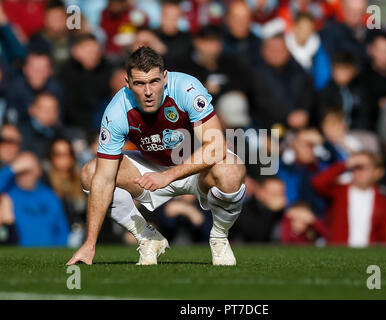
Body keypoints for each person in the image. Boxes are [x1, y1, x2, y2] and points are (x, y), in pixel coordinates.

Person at [66, 47, 246, 266]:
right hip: (150, 167)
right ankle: (147, 237)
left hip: (196, 166)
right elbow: (103, 179)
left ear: (165, 77)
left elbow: (216, 146)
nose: (148, 91)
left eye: (154, 81)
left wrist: (168, 176)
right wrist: (89, 244)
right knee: (90, 172)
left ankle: (219, 236)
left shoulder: (187, 88)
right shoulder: (117, 110)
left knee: (231, 170)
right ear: (127, 82)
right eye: (140, 84)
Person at [312, 151, 386, 247]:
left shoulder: (383, 202)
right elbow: (317, 183)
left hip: (369, 256)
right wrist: (345, 164)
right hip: (339, 253)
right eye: (356, 167)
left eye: (363, 168)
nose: (359, 172)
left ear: (376, 172)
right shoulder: (339, 192)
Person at [0, 152, 70, 247]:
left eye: (30, 170)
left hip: (49, 254)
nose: (26, 175)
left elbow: (62, 229)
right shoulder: (9, 193)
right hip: (18, 253)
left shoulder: (50, 195)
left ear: (39, 171)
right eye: (22, 171)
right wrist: (12, 169)